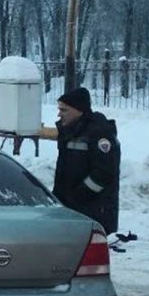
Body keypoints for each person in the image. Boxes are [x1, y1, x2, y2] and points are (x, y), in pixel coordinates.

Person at [53, 87, 121, 235]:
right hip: (72, 210)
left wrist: (77, 196)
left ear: (79, 110)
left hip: (94, 213)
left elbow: (103, 174)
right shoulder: (70, 131)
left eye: (64, 110)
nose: (59, 114)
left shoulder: (99, 133)